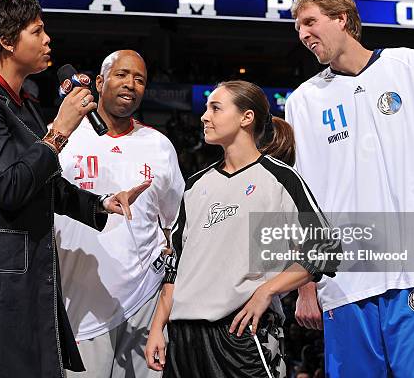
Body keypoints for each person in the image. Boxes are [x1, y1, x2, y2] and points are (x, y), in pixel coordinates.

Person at [0, 0, 150, 377]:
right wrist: (59, 130)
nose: (48, 41)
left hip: (21, 270)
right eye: (37, 31)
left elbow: (42, 179)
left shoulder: (23, 103)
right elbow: (10, 185)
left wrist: (99, 204)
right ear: (8, 42)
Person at [285, 0, 414, 377]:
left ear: (341, 18)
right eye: (297, 27)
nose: (302, 34)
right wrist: (306, 284)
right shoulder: (302, 101)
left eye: (309, 21)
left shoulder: (411, 65)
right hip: (345, 283)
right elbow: (305, 203)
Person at [144, 80, 339, 378]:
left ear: (246, 117)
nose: (204, 116)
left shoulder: (281, 179)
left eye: (216, 108)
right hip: (184, 339)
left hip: (241, 333)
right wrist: (158, 327)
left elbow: (327, 248)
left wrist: (267, 290)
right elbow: (176, 267)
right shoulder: (196, 185)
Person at [55, 49, 185, 378]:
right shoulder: (63, 137)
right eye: (122, 74)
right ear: (99, 82)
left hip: (144, 299)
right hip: (80, 300)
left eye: (139, 79)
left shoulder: (159, 146)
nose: (131, 84)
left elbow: (175, 222)